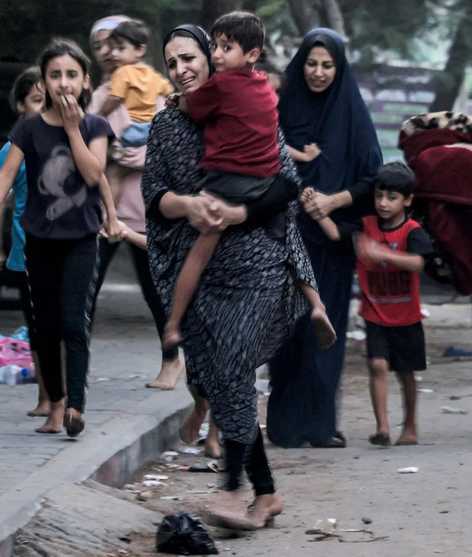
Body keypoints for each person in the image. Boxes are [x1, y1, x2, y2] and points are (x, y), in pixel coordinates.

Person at [144, 23, 313, 529]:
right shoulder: (167, 125)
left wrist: (239, 214)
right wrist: (187, 204)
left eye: (190, 57)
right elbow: (153, 198)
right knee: (226, 380)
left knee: (234, 367)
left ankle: (231, 490)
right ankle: (265, 494)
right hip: (197, 270)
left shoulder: (251, 104)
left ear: (213, 58)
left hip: (256, 262)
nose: (183, 69)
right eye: (172, 63)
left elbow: (288, 183)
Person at [162, 12, 335, 352]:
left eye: (226, 48)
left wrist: (177, 101)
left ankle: (171, 324)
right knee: (291, 244)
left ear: (252, 55)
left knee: (198, 254)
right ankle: (317, 304)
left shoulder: (221, 85)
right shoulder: (264, 87)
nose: (217, 55)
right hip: (266, 180)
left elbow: (194, 109)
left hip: (228, 182)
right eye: (214, 46)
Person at [0, 39, 119, 438]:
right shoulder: (29, 127)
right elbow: (6, 173)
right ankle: (54, 405)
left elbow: (94, 175)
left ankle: (76, 405)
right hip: (37, 238)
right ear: (43, 81)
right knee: (46, 326)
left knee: (75, 323)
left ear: (85, 81)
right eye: (55, 75)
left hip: (80, 238)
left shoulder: (95, 126)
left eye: (71, 75)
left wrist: (73, 129)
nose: (63, 83)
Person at [268, 28, 383, 449]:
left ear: (339, 68)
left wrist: (332, 202)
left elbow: (373, 176)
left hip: (330, 243)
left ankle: (319, 424)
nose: (318, 72)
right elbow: (262, 161)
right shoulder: (280, 108)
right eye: (311, 64)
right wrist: (296, 196)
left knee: (324, 331)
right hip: (282, 238)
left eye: (327, 65)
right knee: (288, 334)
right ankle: (283, 424)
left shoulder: (351, 113)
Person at [87, 15, 187, 394]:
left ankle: (171, 362)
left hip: (147, 212)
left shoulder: (157, 91)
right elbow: (84, 142)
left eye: (115, 45)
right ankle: (73, 367)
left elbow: (170, 148)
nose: (108, 53)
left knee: (156, 291)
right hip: (101, 214)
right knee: (86, 290)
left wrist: (130, 156)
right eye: (101, 47)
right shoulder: (101, 95)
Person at [355, 162, 433, 446]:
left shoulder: (412, 231)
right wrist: (319, 210)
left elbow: (418, 263)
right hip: (374, 313)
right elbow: (335, 233)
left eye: (392, 197)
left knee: (406, 373)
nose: (383, 203)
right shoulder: (366, 225)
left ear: (408, 200)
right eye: (379, 196)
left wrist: (379, 252)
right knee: (376, 365)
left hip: (406, 317)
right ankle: (383, 428)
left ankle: (410, 425)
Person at [0, 67, 48, 417]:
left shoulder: (71, 139)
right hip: (27, 250)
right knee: (36, 324)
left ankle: (65, 393)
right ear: (21, 106)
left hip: (65, 247)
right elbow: (3, 197)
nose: (44, 107)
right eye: (36, 101)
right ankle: (44, 394)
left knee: (64, 323)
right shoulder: (14, 147)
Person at [97, 19, 173, 150]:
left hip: (130, 130)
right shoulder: (154, 75)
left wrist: (100, 113)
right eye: (112, 48)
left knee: (107, 149)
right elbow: (169, 91)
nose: (114, 53)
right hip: (150, 129)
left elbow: (115, 97)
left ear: (140, 50)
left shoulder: (122, 72)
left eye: (121, 48)